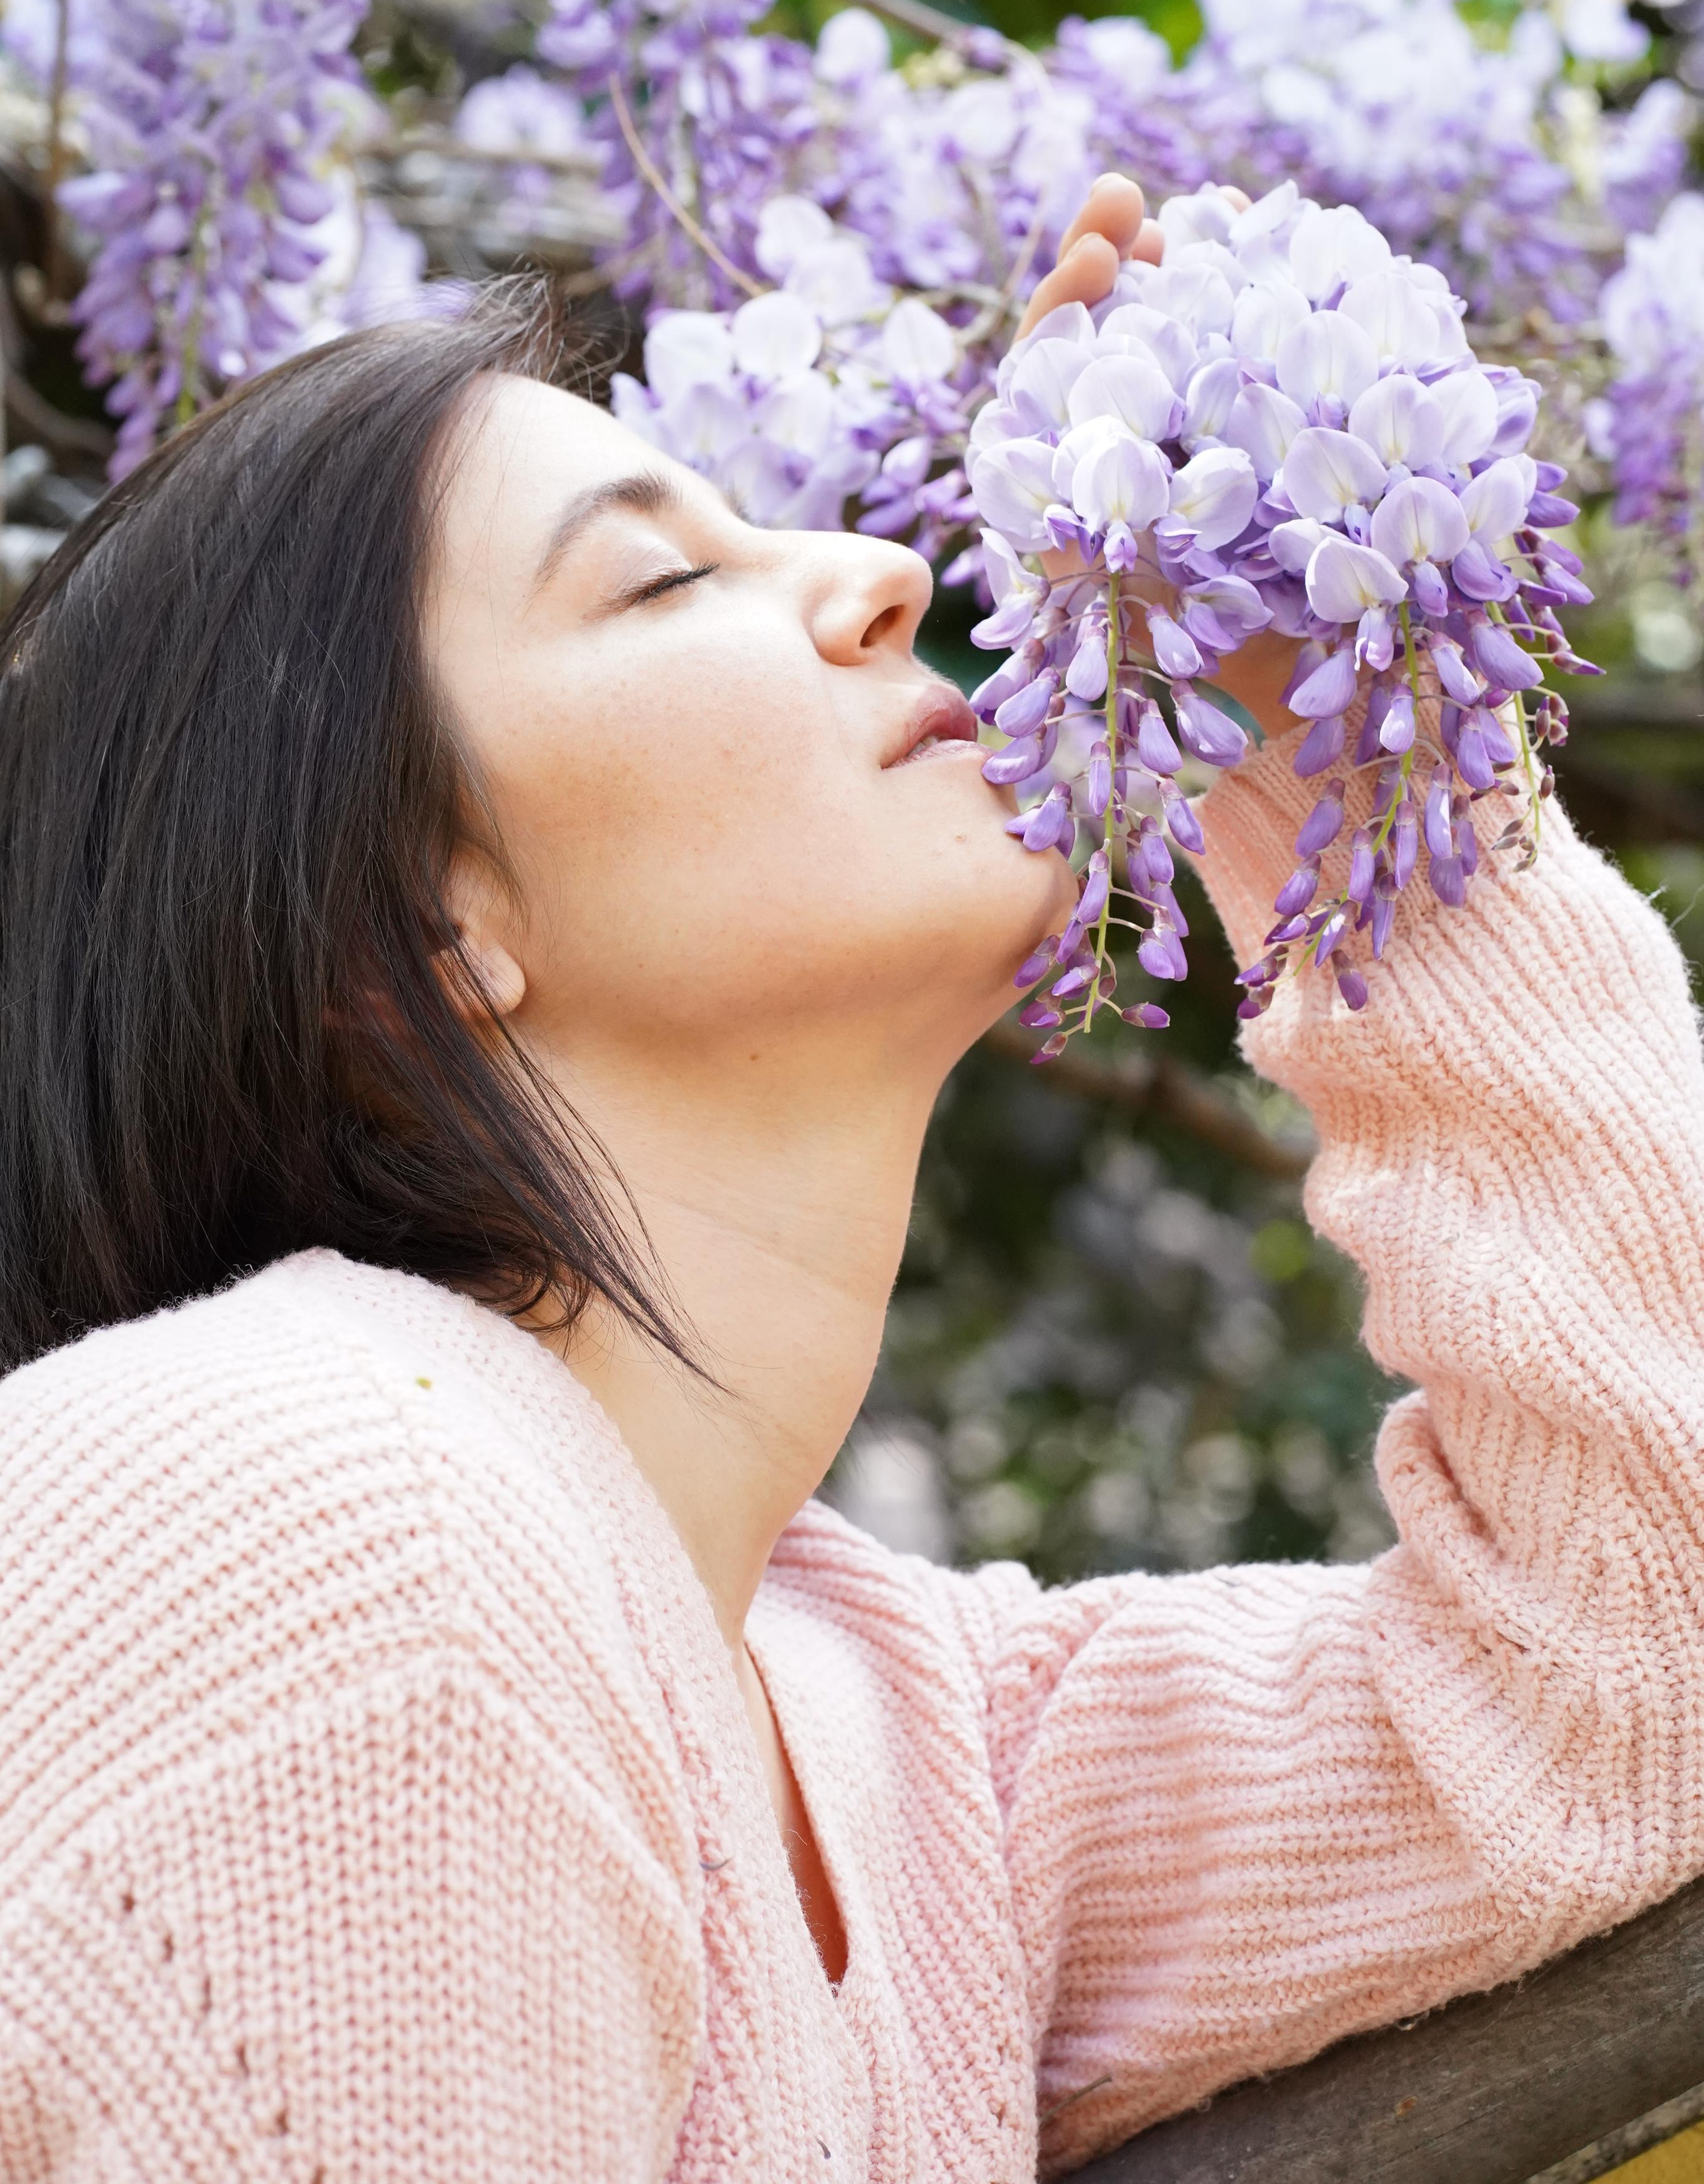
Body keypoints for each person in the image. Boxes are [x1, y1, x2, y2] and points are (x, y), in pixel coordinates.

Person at [0, 174, 1699, 2184]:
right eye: (661, 580)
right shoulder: (339, 1548)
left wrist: (1367, 756)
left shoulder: (896, 1741)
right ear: (410, 937)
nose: (886, 572)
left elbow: (1619, 1694)